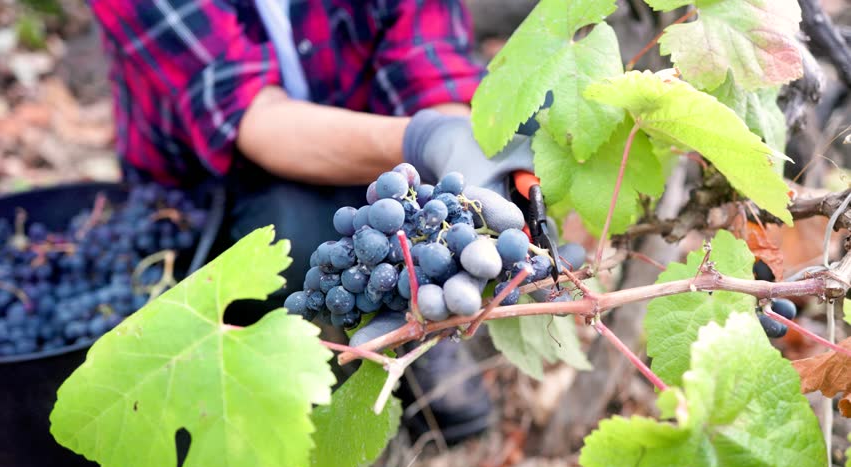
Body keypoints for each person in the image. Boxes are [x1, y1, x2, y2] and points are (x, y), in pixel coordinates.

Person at [88, 0, 534, 443]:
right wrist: (425, 138)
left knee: (503, 142)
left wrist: (464, 159)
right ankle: (283, 363)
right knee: (290, 239)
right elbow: (254, 117)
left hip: (378, 153)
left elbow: (430, 68)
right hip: (216, 182)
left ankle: (412, 318)